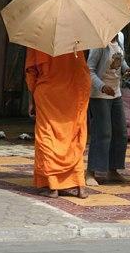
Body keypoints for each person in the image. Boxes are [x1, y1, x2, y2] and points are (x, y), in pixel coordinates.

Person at [25, 48, 90, 198]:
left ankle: (53, 186)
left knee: (48, 135)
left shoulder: (38, 38)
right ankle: (79, 184)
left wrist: (31, 99)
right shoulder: (75, 38)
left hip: (48, 93)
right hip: (75, 91)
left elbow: (31, 71)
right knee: (74, 136)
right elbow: (82, 69)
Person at [85, 32, 130, 186]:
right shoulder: (99, 42)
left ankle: (113, 170)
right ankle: (91, 172)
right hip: (99, 95)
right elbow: (90, 70)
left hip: (116, 92)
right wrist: (102, 86)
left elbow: (120, 60)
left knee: (120, 132)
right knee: (103, 132)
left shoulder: (120, 37)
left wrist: (126, 69)